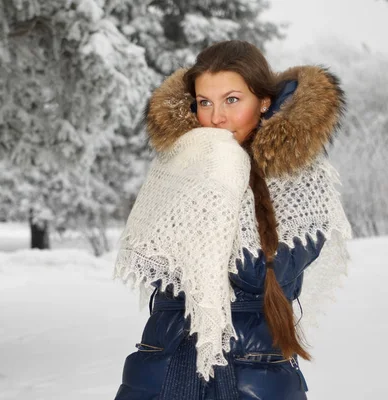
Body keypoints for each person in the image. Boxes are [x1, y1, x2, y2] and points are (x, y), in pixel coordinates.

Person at [113, 40, 352, 399]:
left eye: (232, 100)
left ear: (264, 101)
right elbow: (155, 261)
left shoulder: (298, 176)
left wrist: (221, 182)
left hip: (252, 374)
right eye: (205, 102)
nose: (216, 117)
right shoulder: (178, 165)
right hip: (162, 366)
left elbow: (262, 272)